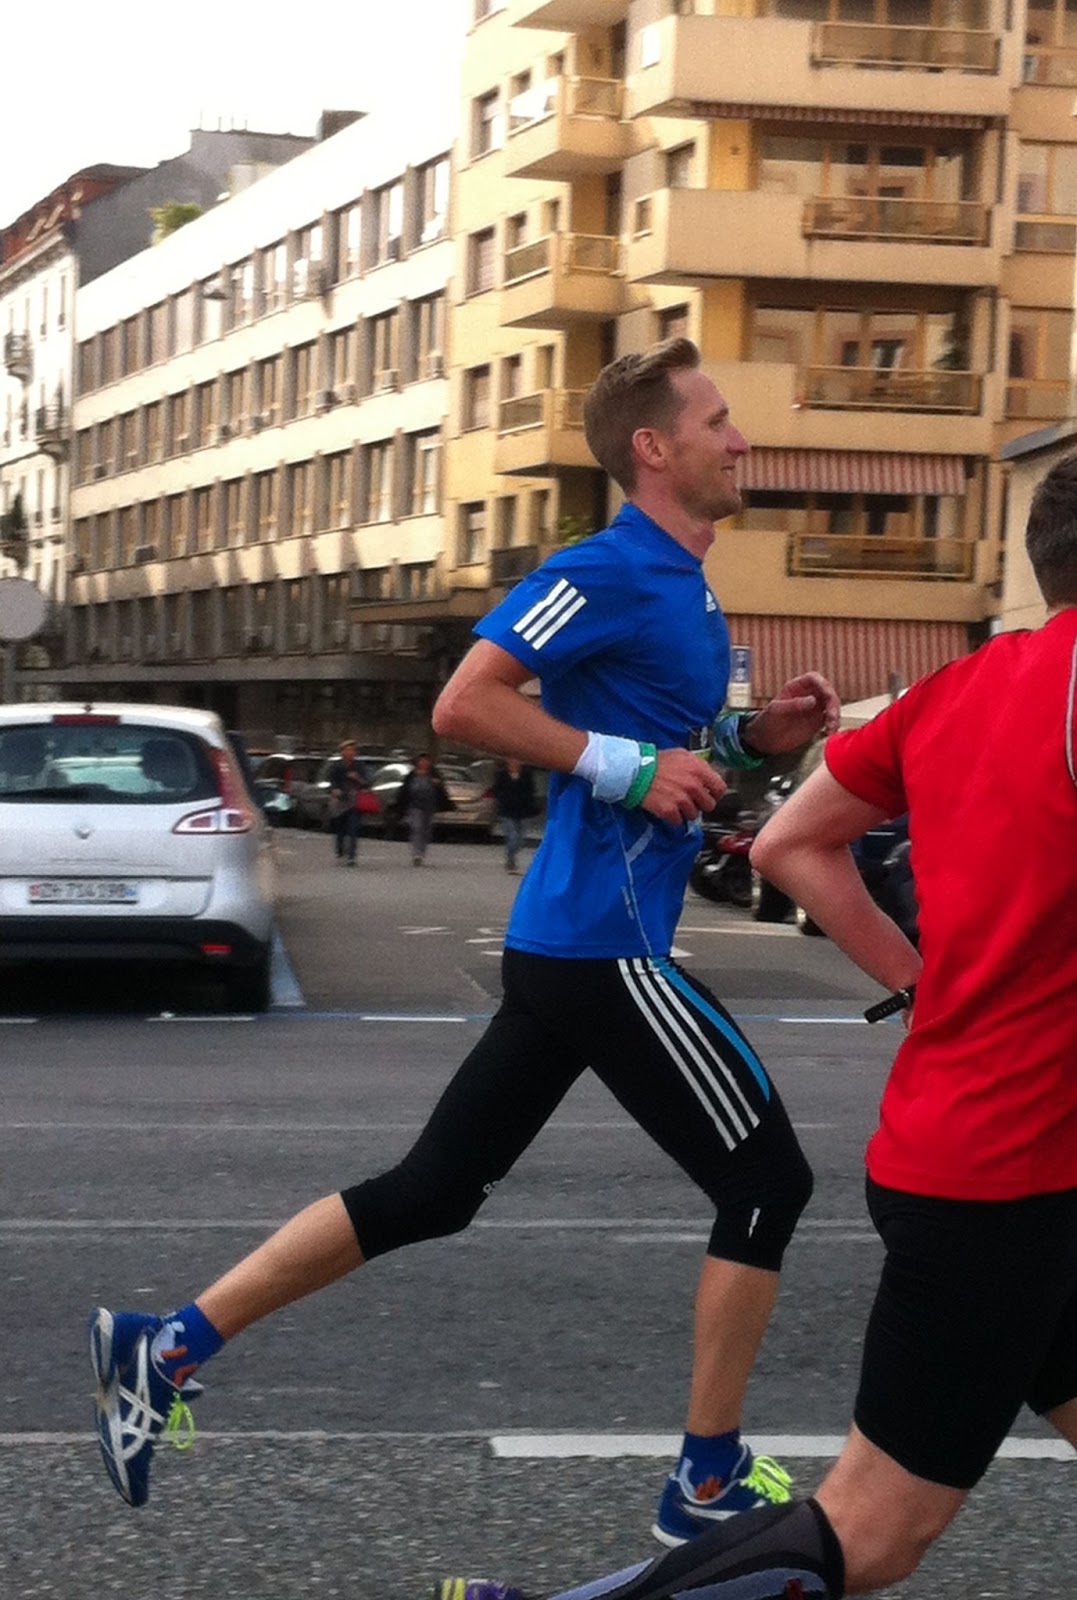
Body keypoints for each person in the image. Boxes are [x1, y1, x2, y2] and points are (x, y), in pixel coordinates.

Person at [87, 336, 839, 1531]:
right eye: (717, 421)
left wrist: (758, 740)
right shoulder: (601, 567)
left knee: (435, 1188)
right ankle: (704, 1474)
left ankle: (163, 1344)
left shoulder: (685, 585)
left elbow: (664, 748)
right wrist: (626, 763)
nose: (739, 439)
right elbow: (466, 701)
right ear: (655, 449)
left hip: (575, 946)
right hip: (608, 944)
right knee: (769, 1180)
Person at [436, 452, 1077, 1599]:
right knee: (870, 1535)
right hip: (1012, 1178)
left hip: (975, 1146)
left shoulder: (961, 687)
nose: (734, 443)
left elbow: (789, 844)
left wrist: (920, 982)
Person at [395, 753, 454, 866]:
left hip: (429, 806)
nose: (423, 763)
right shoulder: (412, 775)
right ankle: (416, 853)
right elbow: (404, 790)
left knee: (426, 830)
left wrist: (438, 785)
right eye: (421, 761)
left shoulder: (434, 775)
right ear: (417, 762)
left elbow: (442, 791)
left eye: (426, 761)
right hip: (415, 805)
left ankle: (422, 852)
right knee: (417, 828)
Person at [492, 759, 538, 873]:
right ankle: (510, 860)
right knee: (512, 836)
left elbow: (531, 790)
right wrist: (501, 800)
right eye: (511, 761)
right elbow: (497, 789)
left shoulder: (527, 774)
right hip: (507, 811)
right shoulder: (501, 774)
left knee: (521, 839)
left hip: (524, 810)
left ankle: (511, 854)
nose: (514, 763)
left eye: (517, 761)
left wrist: (530, 803)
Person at [327, 738, 368, 866]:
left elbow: (367, 782)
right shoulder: (336, 766)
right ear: (342, 752)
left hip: (354, 800)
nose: (350, 752)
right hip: (340, 800)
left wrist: (358, 779)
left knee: (353, 828)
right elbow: (331, 781)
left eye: (352, 750)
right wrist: (334, 790)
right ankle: (340, 850)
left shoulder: (359, 766)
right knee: (340, 827)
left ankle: (352, 855)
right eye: (347, 750)